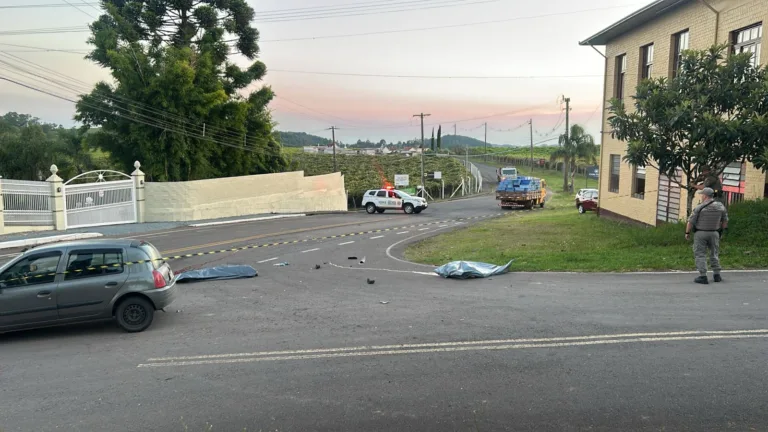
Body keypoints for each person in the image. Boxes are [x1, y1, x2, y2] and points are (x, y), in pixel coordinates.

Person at [685, 187, 729, 284]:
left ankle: (703, 276)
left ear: (705, 196)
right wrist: (721, 232)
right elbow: (725, 221)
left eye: (702, 194)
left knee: (700, 253)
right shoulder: (720, 206)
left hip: (701, 233)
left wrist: (687, 233)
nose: (701, 196)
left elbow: (690, 222)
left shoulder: (700, 207)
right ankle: (717, 274)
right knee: (714, 253)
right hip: (714, 233)